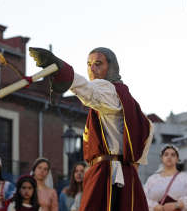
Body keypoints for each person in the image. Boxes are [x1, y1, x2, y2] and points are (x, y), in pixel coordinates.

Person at [29, 47, 154, 211]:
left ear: (111, 68)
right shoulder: (124, 96)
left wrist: (62, 69)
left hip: (108, 173)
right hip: (114, 171)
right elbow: (148, 126)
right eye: (89, 64)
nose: (92, 68)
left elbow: (89, 91)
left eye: (98, 64)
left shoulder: (108, 88)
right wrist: (136, 165)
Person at [144, 144, 187, 211]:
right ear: (162, 158)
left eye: (173, 155)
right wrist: (158, 207)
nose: (169, 157)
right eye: (166, 154)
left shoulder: (185, 177)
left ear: (177, 159)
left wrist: (176, 205)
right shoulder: (152, 179)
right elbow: (143, 199)